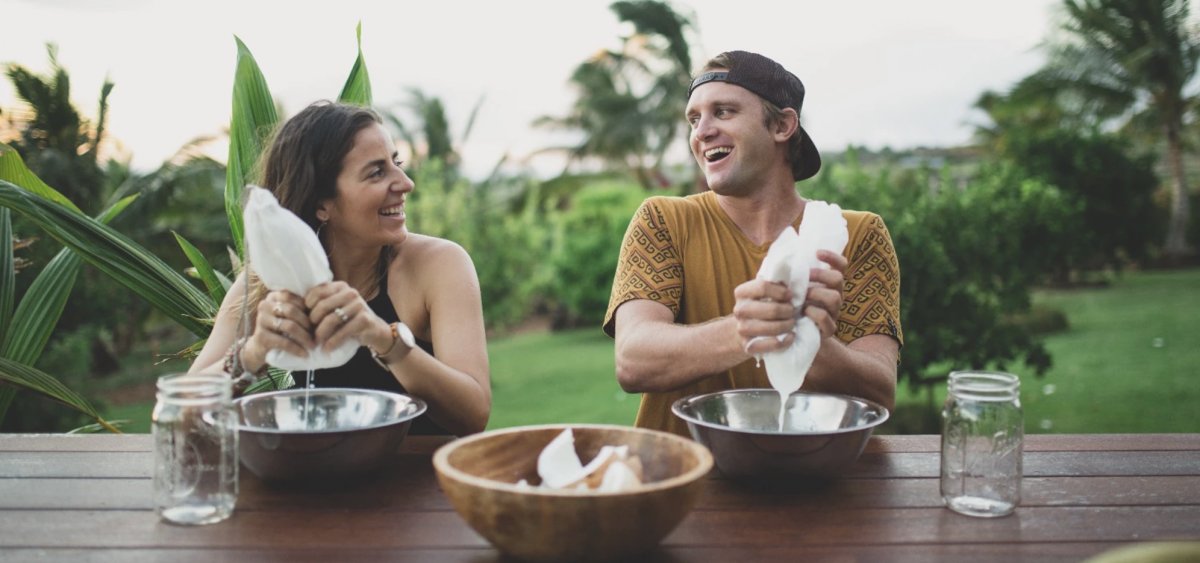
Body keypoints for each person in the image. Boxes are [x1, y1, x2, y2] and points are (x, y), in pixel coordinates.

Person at [603, 51, 902, 437]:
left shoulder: (857, 234)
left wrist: (809, 340)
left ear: (781, 125)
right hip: (683, 483)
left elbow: (881, 391)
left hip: (817, 481)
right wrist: (752, 329)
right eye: (694, 119)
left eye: (723, 112)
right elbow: (634, 360)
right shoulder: (664, 220)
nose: (701, 131)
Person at [190, 101, 490, 436]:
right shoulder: (270, 282)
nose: (405, 183)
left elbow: (474, 413)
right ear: (322, 204)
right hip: (313, 477)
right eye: (377, 172)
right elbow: (181, 411)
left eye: (396, 162)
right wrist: (254, 352)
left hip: (422, 483)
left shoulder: (439, 265)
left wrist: (383, 338)